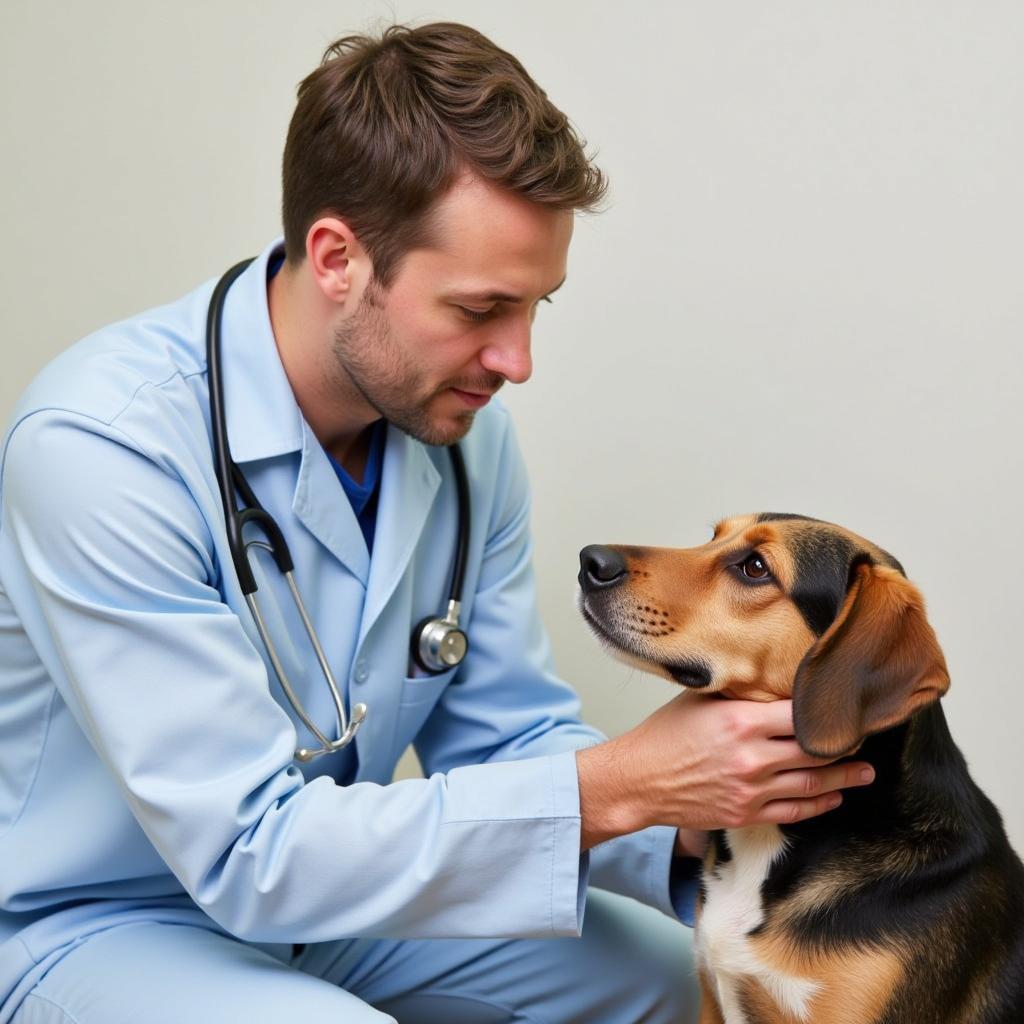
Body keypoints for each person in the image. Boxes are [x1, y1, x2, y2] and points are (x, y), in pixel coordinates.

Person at [0, 22, 875, 1023]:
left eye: (537, 305)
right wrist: (622, 785)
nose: (516, 360)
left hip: (347, 912)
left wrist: (700, 809)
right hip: (112, 923)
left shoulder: (464, 443)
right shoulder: (103, 449)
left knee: (677, 983)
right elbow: (248, 852)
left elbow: (502, 736)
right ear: (337, 257)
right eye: (479, 309)